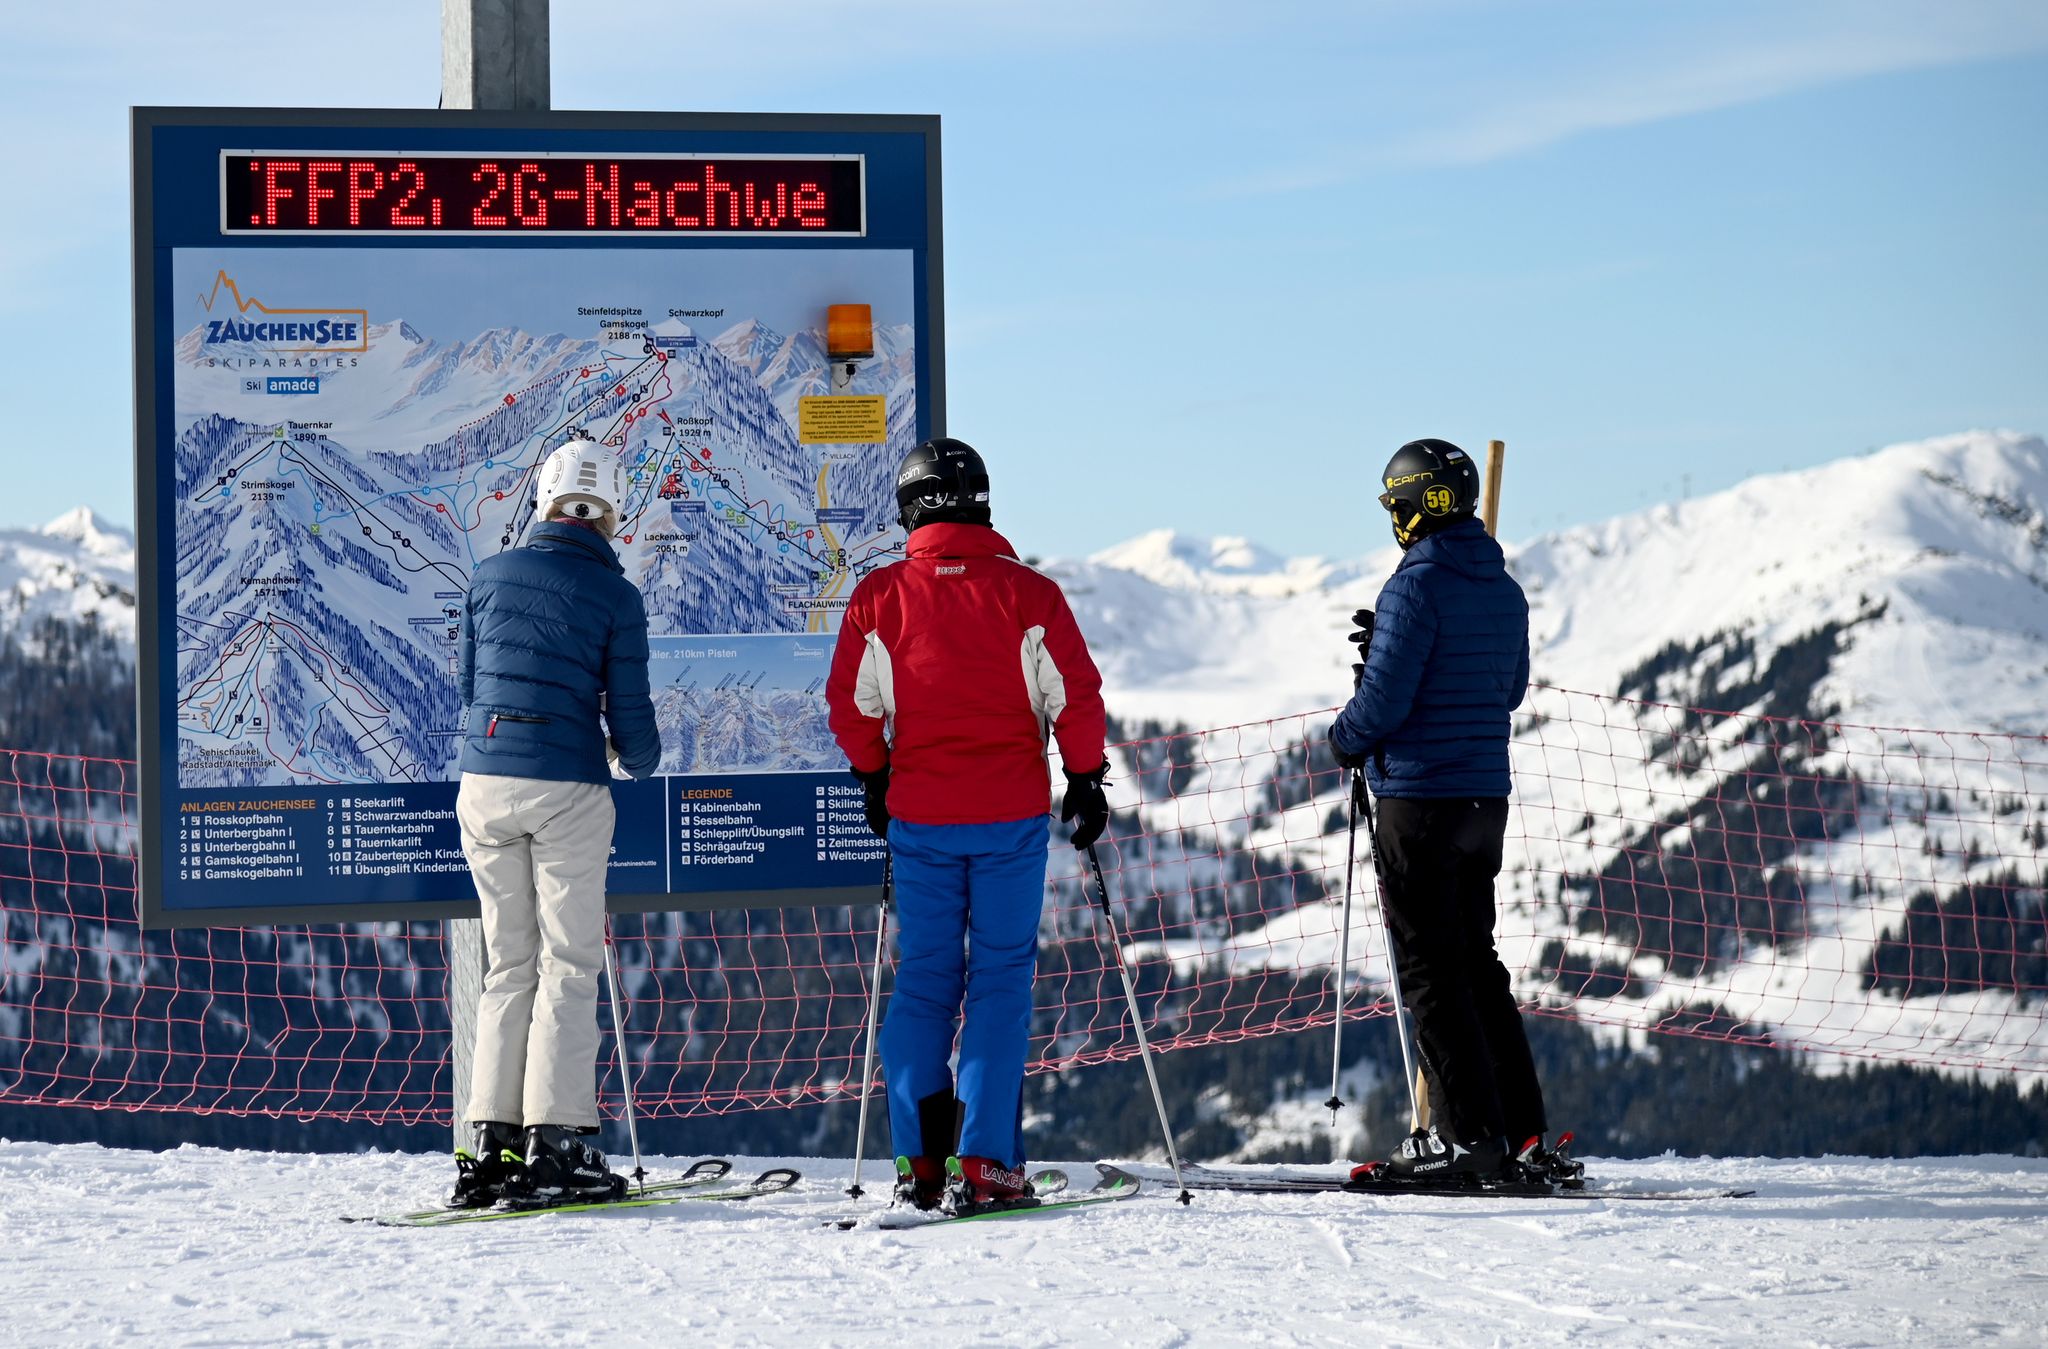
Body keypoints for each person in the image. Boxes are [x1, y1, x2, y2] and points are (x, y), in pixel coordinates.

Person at [826, 437, 1110, 1212]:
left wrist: (876, 775)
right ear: (982, 502)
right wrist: (1085, 778)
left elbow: (854, 709)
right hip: (1009, 816)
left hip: (920, 816)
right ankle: (985, 1161)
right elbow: (1074, 696)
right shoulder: (1030, 595)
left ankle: (921, 1161)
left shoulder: (878, 596)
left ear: (909, 507)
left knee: (923, 980)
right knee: (999, 980)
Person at [1329, 437, 1566, 1186]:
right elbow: (1510, 688)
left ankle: (1470, 1140)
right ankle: (1521, 1133)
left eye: (1397, 502)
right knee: (1478, 965)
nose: (1393, 516)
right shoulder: (1504, 588)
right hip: (1480, 800)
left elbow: (1383, 704)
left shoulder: (1415, 586)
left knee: (1431, 972)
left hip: (1418, 801)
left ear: (1418, 504)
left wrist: (1344, 736)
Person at [448, 434, 663, 1209]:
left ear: (543, 501)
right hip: (567, 788)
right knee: (569, 966)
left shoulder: (487, 576)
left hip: (483, 786)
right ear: (608, 517)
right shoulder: (615, 596)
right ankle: (557, 1143)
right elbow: (630, 718)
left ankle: (490, 1146)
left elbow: (471, 686)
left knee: (509, 965)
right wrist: (636, 759)